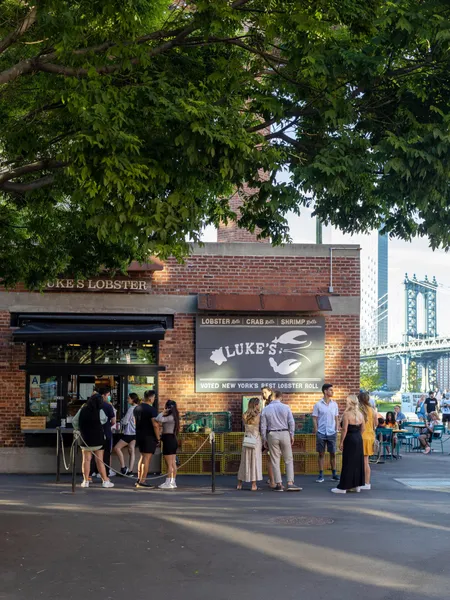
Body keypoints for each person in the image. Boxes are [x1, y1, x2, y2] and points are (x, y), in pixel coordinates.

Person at [261, 391, 301, 492]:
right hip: (284, 433)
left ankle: (278, 484)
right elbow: (291, 422)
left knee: (275, 460)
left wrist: (264, 439)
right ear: (280, 397)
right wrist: (292, 434)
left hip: (272, 434)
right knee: (288, 459)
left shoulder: (265, 409)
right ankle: (290, 482)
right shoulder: (286, 407)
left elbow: (263, 426)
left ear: (272, 397)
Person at [77, 393, 114, 488]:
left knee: (86, 460)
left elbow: (74, 421)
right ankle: (105, 481)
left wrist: (81, 428)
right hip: (98, 439)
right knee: (99, 460)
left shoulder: (82, 410)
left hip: (85, 438)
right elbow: (104, 420)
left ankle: (85, 481)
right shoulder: (100, 411)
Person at [331, 395, 365, 494]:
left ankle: (343, 487)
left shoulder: (347, 414)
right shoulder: (360, 414)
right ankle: (356, 485)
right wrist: (358, 436)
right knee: (358, 462)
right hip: (358, 438)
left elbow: (344, 429)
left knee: (348, 462)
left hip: (350, 438)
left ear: (349, 402)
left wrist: (341, 442)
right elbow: (363, 428)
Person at [312, 383, 340, 483]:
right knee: (321, 454)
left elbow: (336, 418)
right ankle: (320, 474)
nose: (333, 392)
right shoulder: (318, 405)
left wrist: (337, 428)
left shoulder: (334, 404)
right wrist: (316, 430)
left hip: (332, 432)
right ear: (325, 391)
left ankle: (334, 474)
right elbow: (314, 418)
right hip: (321, 432)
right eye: (331, 390)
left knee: (333, 453)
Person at [134, 390, 160, 488]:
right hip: (149, 436)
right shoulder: (151, 409)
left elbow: (135, 422)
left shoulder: (137, 408)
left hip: (139, 435)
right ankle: (143, 481)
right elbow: (155, 425)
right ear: (150, 398)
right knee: (147, 458)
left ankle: (139, 479)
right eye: (154, 397)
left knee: (142, 457)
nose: (154, 399)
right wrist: (158, 438)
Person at [237, 397, 263, 491]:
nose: (259, 405)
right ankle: (253, 484)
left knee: (245, 460)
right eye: (258, 404)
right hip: (255, 439)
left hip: (247, 439)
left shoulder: (244, 415)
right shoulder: (259, 415)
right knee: (255, 461)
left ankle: (239, 483)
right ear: (255, 405)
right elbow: (261, 428)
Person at [90, 386, 116, 480]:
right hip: (106, 432)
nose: (108, 397)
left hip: (93, 433)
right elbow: (113, 421)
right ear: (103, 395)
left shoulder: (90, 406)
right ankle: (104, 474)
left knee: (92, 454)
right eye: (108, 395)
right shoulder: (108, 406)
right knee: (105, 454)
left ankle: (91, 472)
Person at [156, 399, 180, 489]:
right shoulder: (175, 416)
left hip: (168, 439)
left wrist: (163, 411)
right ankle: (173, 481)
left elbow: (158, 419)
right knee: (173, 463)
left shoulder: (170, 417)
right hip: (172, 439)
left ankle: (168, 482)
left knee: (169, 463)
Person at [113, 393, 140, 476]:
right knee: (131, 450)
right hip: (136, 432)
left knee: (117, 448)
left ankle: (123, 467)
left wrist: (120, 421)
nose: (127, 399)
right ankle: (130, 471)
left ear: (132, 399)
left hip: (129, 433)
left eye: (128, 398)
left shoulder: (131, 409)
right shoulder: (139, 408)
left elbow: (125, 421)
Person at [358, 391, 378, 490]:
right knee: (366, 461)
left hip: (361, 436)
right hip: (370, 436)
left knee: (361, 461)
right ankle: (367, 482)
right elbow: (376, 424)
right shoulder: (373, 410)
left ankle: (363, 482)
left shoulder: (359, 410)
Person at [261, 386, 275, 487]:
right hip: (267, 434)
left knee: (272, 457)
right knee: (270, 457)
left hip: (271, 433)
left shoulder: (271, 404)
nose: (263, 395)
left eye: (265, 392)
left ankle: (273, 479)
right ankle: (272, 478)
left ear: (270, 392)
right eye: (262, 393)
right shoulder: (265, 403)